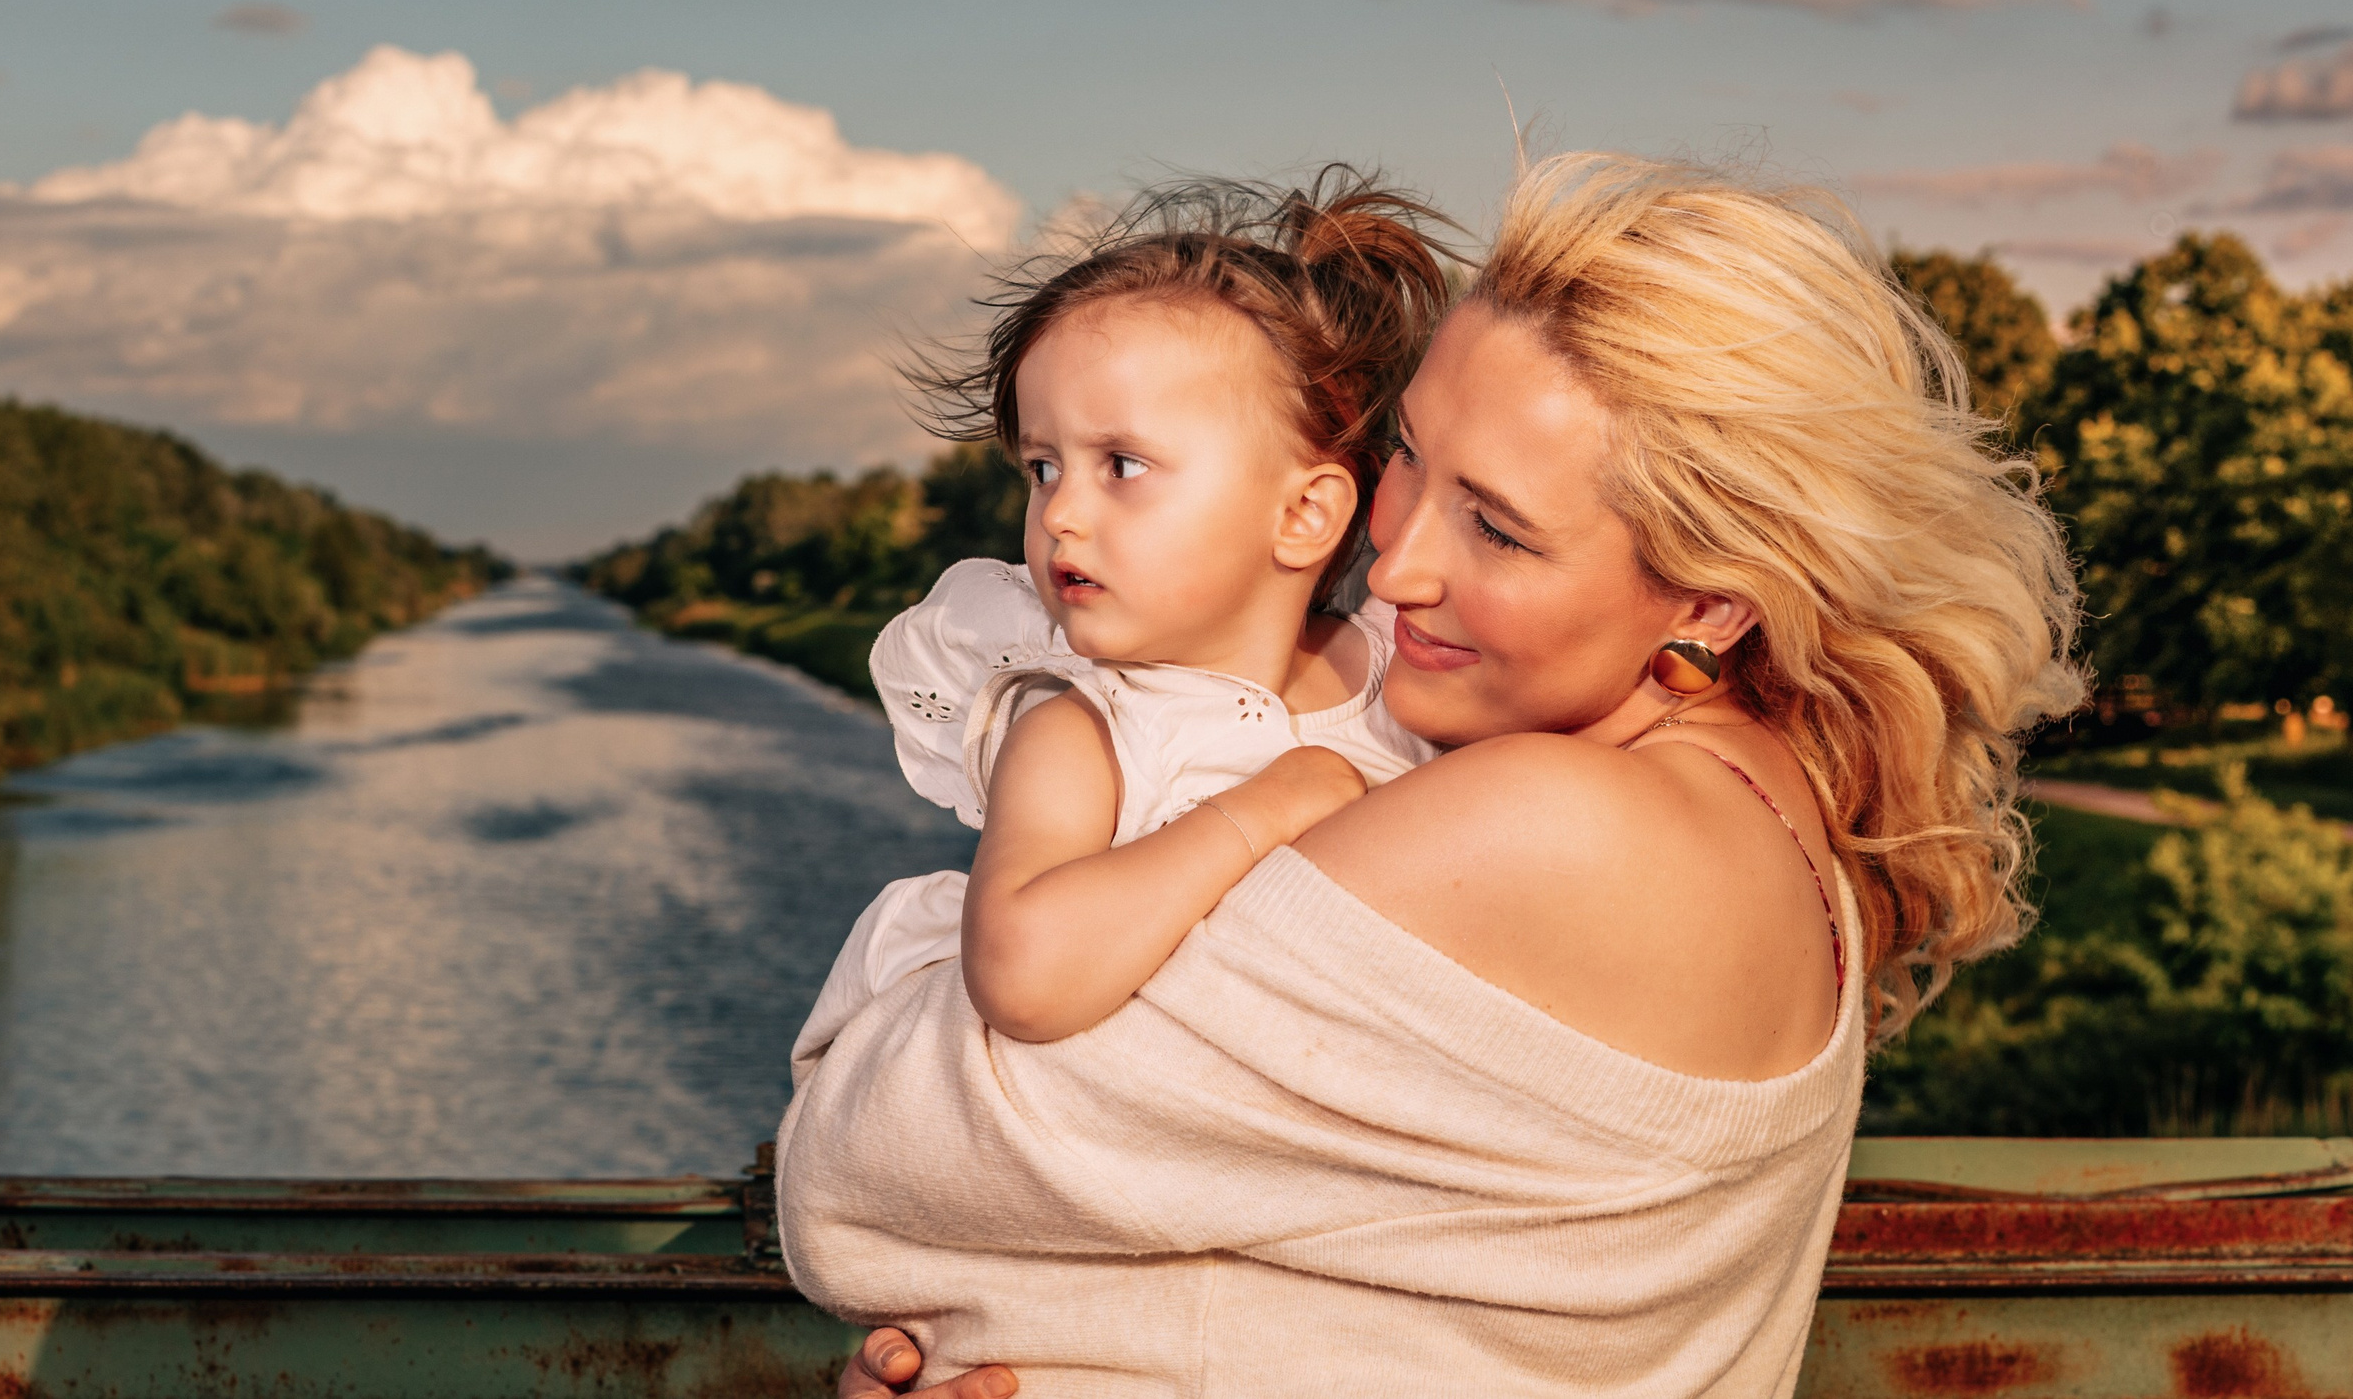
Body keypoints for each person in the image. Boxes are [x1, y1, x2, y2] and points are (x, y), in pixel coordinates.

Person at [796, 152, 2085, 1398]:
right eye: (1408, 454)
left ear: (1712, 597)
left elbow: (856, 1181)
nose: (1397, 560)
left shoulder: (1550, 824)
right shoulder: (1762, 811)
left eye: (1499, 526)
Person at [789, 172, 1453, 1081]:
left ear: (1302, 516)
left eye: (1123, 465)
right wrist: (1259, 813)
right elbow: (1023, 977)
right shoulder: (1079, 729)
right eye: (1043, 467)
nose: (1061, 513)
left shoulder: (1395, 671)